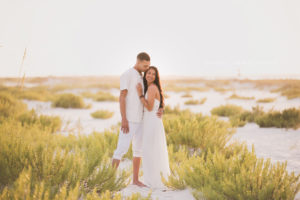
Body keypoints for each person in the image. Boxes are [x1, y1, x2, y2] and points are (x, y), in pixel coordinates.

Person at [111, 52, 164, 187]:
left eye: (148, 66)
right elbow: (122, 97)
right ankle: (109, 180)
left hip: (142, 120)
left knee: (138, 150)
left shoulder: (142, 77)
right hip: (130, 119)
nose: (147, 69)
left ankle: (135, 180)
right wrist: (124, 119)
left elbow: (154, 94)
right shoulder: (127, 74)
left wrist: (161, 106)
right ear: (138, 61)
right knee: (121, 149)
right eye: (145, 66)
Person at [136, 66, 170, 189]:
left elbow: (150, 107)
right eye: (148, 73)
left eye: (153, 74)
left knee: (149, 150)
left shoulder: (151, 87)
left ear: (156, 77)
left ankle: (152, 180)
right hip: (153, 121)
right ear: (145, 74)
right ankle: (156, 177)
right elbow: (159, 102)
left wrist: (140, 95)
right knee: (154, 149)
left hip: (151, 122)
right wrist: (161, 108)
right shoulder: (153, 87)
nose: (150, 75)